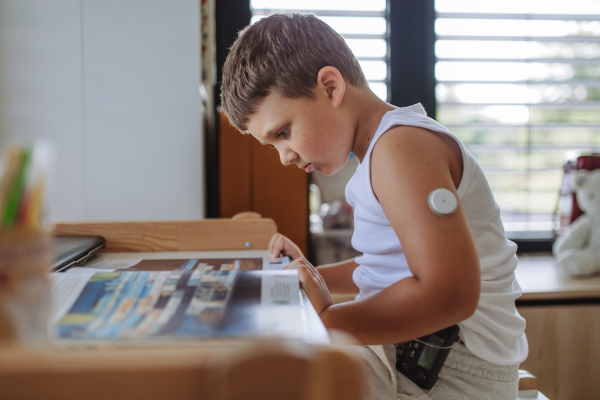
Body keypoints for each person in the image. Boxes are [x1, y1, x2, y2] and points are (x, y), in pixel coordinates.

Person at [220, 12, 528, 400]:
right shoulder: (383, 153)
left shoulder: (401, 150)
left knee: (258, 376)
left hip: (449, 373)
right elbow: (389, 266)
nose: (284, 157)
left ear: (331, 87)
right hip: (421, 356)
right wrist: (315, 277)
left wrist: (329, 319)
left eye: (283, 133)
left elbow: (450, 293)